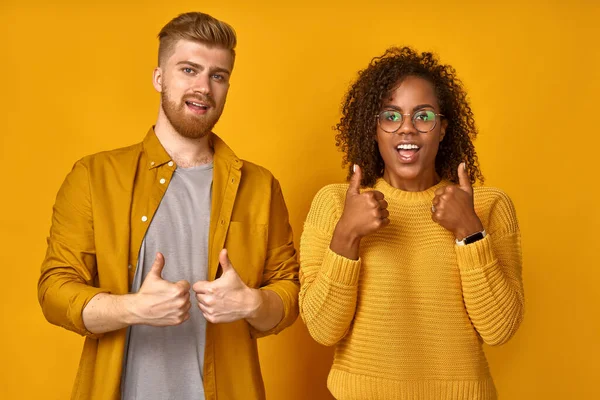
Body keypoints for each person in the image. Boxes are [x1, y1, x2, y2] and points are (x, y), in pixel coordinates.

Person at [38, 12, 299, 400]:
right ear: (159, 77)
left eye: (218, 75)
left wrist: (252, 301)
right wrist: (131, 309)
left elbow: (289, 296)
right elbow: (54, 292)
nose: (203, 88)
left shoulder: (260, 186)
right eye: (189, 70)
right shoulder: (94, 176)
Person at [299, 46, 524, 400]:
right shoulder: (335, 204)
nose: (407, 129)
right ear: (373, 128)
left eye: (423, 116)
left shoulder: (488, 205)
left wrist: (470, 232)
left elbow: (500, 329)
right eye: (391, 116)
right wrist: (347, 234)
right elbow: (323, 330)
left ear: (443, 128)